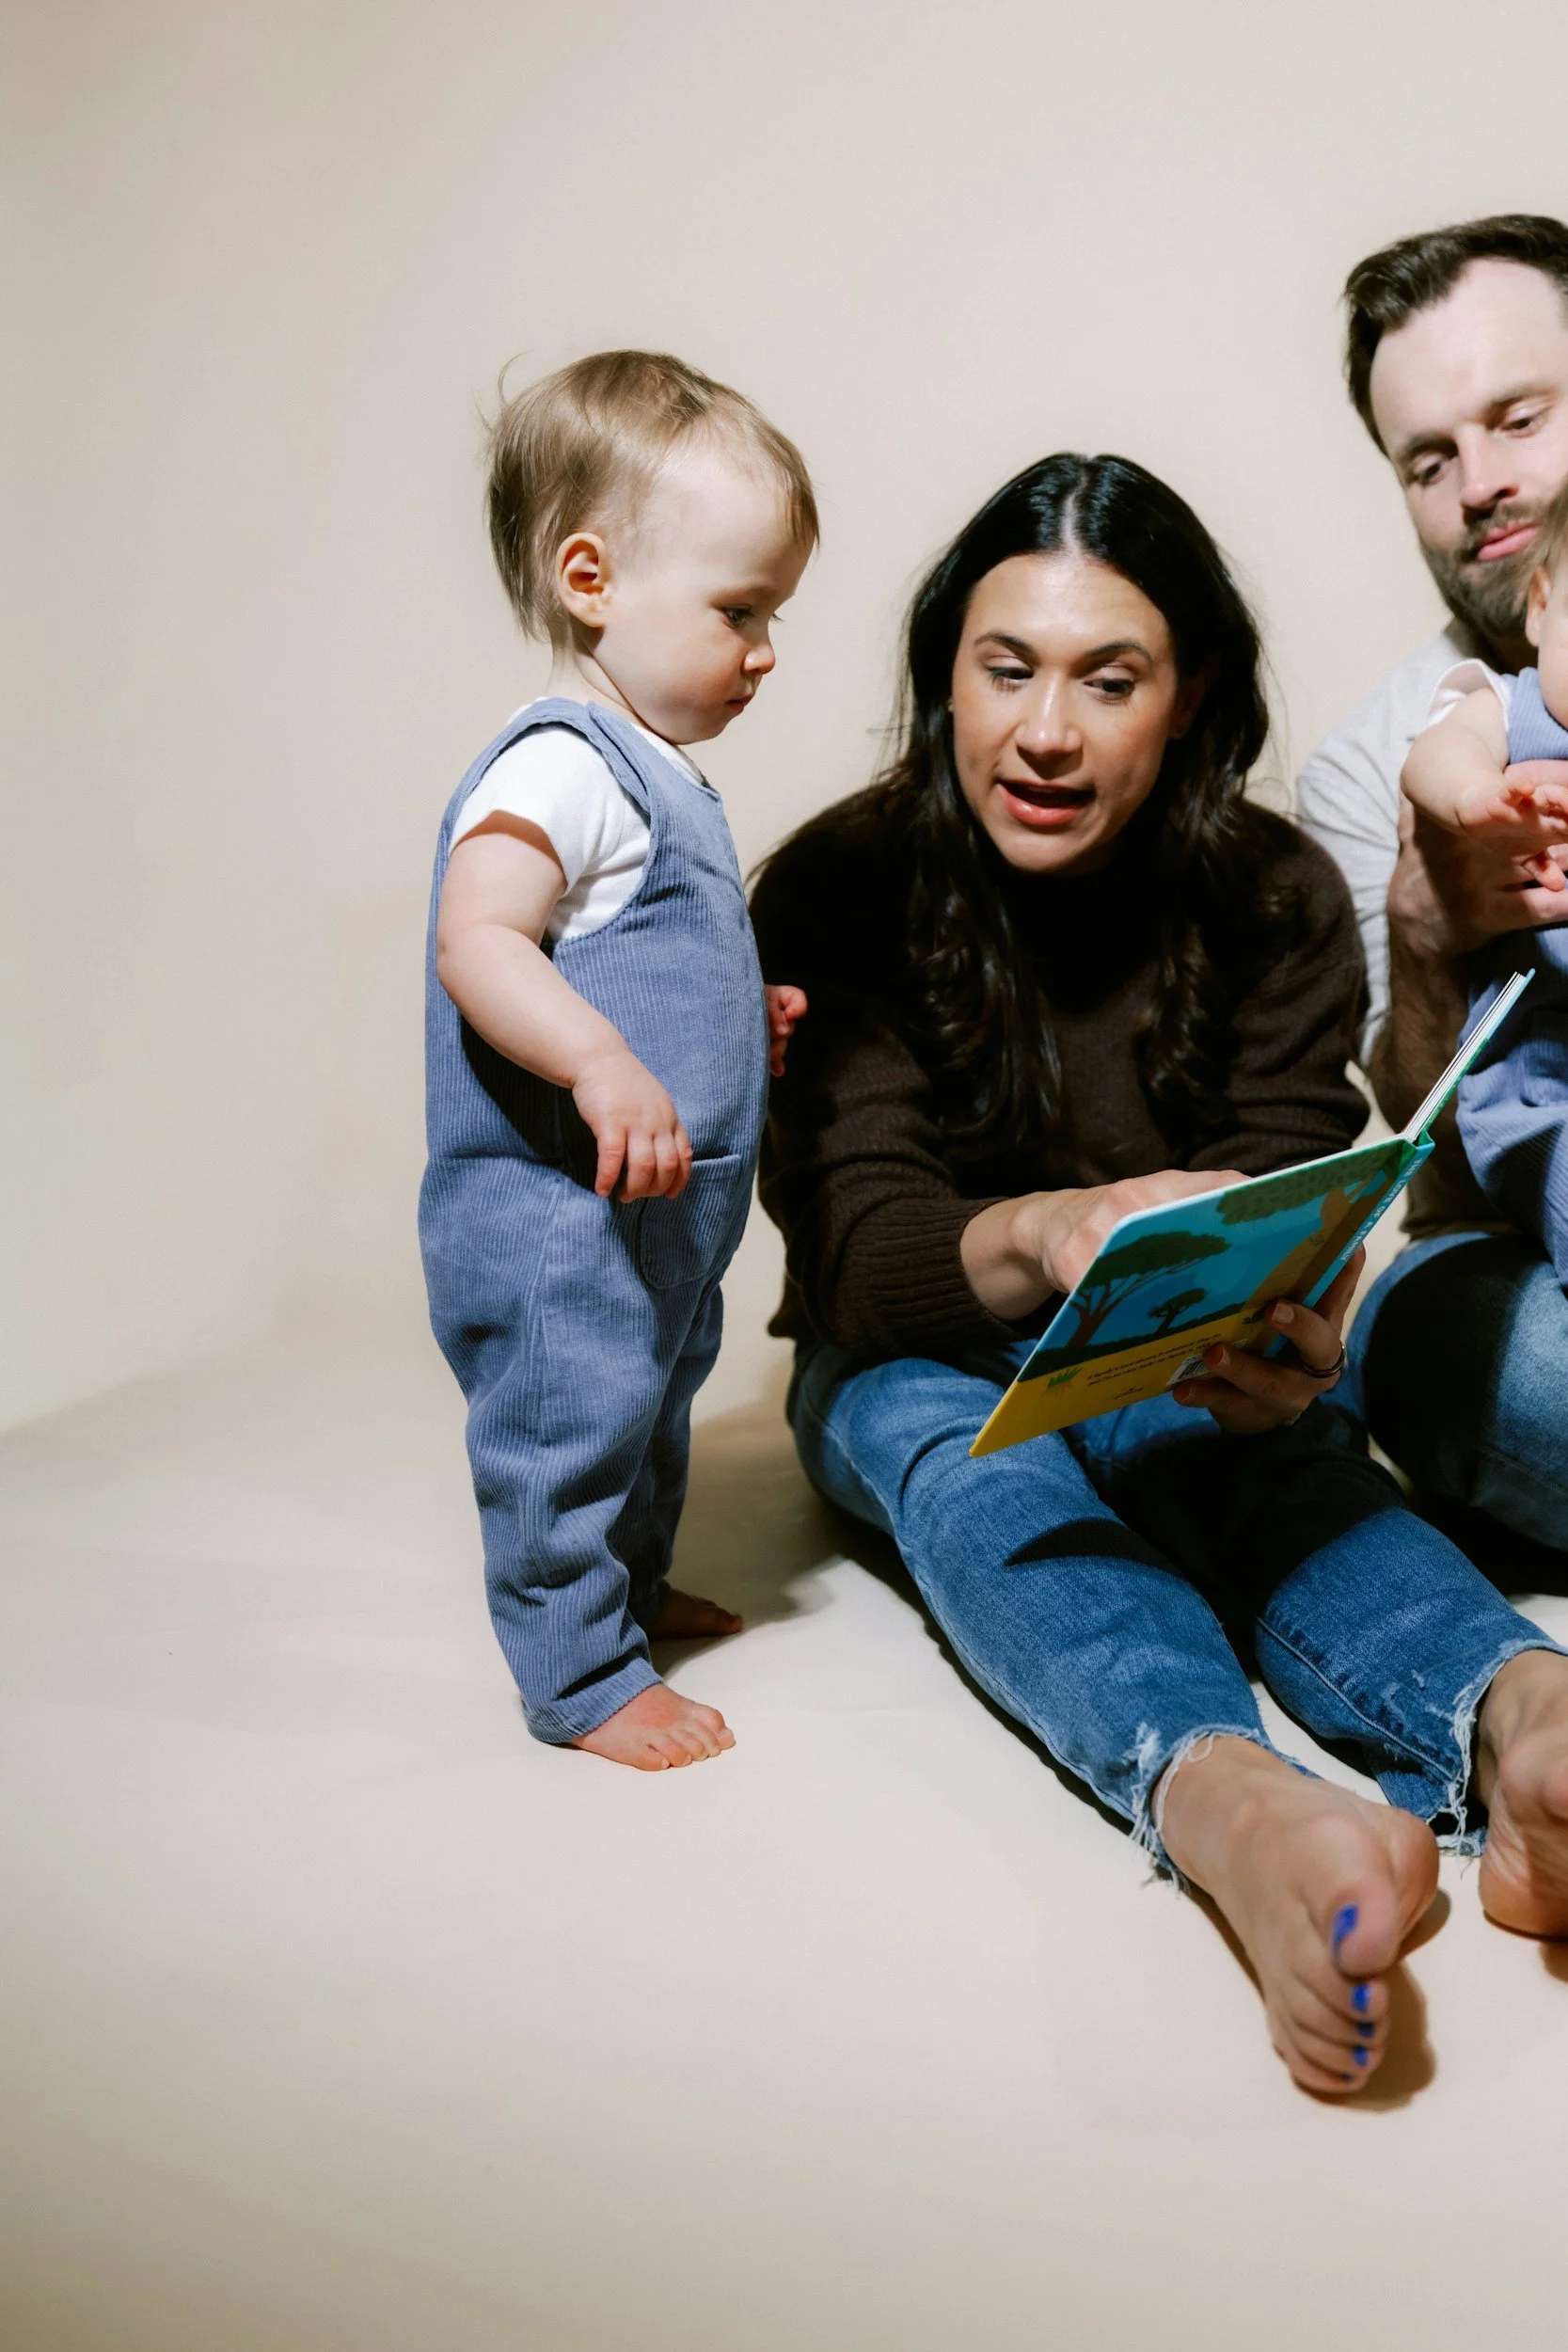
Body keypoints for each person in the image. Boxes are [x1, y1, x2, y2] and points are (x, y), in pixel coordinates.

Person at [752, 453, 1568, 2096]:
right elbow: (850, 1253)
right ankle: (1231, 1805)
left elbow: (1287, 1185)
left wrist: (1290, 1324)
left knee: (1270, 1459)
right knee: (969, 1466)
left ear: (1187, 701)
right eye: (1005, 671)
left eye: (1106, 680)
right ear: (946, 685)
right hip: (912, 1350)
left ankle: (1529, 1720)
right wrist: (1049, 1230)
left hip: (1167, 1357)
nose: (1044, 731)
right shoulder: (834, 887)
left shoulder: (1267, 896)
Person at [420, 350, 815, 1770]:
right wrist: (596, 1061)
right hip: (559, 1224)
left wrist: (731, 1019)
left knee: (649, 1416)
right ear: (588, 579)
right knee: (565, 1429)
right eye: (738, 609)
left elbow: (631, 953)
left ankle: (627, 1600)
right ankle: (577, 1672)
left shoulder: (656, 775)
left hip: (659, 1221)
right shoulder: (558, 765)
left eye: (774, 612)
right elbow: (485, 942)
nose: (764, 648)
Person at [1296, 215, 1568, 1548]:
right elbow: (1418, 1148)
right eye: (1427, 458)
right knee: (1424, 1337)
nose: (1478, 483)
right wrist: (1420, 936)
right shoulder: (1372, 764)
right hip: (1516, 1246)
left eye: (1516, 417)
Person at [1401, 475, 1568, 1289]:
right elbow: (1432, 755)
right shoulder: (1506, 708)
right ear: (1538, 605)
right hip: (1541, 1100)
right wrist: (1473, 795)